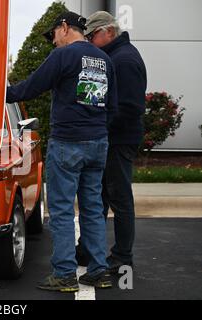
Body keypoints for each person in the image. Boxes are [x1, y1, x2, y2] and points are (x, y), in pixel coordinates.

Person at [6, 11, 118, 292]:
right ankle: (99, 271)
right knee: (93, 208)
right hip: (97, 143)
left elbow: (29, 88)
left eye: (53, 35)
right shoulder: (104, 60)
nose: (53, 41)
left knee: (62, 210)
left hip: (68, 142)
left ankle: (65, 274)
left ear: (65, 27)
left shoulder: (63, 56)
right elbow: (112, 107)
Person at [78, 11, 147, 273]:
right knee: (101, 196)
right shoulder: (113, 57)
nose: (91, 41)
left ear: (108, 32)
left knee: (119, 198)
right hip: (112, 138)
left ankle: (122, 257)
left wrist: (98, 126)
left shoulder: (124, 60)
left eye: (93, 36)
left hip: (119, 140)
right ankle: (87, 250)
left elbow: (130, 107)